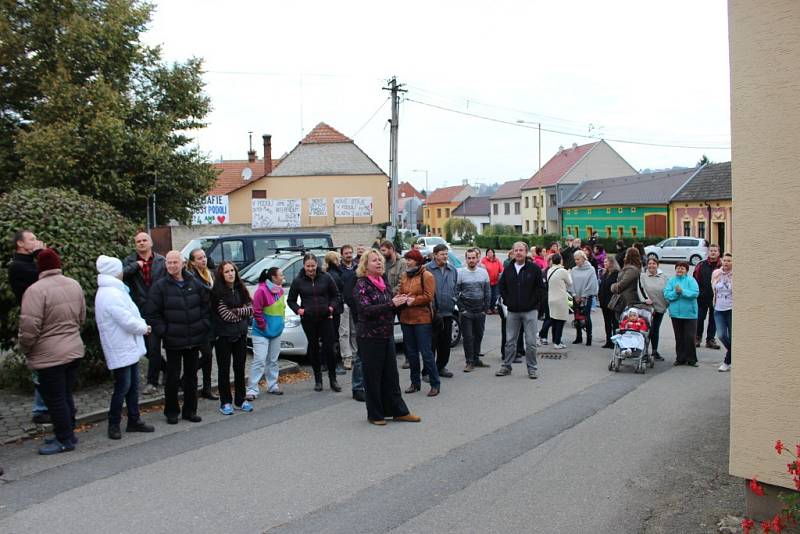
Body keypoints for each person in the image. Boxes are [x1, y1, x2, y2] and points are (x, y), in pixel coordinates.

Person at [18, 249, 85, 454]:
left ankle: (64, 440)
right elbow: (81, 317)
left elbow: (29, 327)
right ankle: (68, 433)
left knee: (54, 400)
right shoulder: (74, 284)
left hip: (48, 355)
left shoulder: (35, 291)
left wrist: (25, 348)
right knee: (65, 394)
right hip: (73, 349)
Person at [354, 249, 421, 425]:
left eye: (380, 260)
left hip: (386, 334)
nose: (379, 263)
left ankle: (398, 411)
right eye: (375, 261)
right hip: (369, 337)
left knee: (391, 375)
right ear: (365, 266)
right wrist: (391, 303)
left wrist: (401, 302)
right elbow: (365, 310)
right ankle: (375, 414)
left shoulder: (382, 282)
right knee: (373, 377)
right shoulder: (362, 285)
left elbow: (390, 307)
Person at [94, 255, 155, 440]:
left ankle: (134, 420)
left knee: (132, 385)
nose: (122, 272)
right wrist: (144, 328)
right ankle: (114, 423)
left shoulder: (114, 290)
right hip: (120, 345)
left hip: (126, 345)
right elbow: (126, 319)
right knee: (123, 386)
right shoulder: (111, 293)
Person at [145, 251, 209, 424]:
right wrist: (164, 331)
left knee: (191, 377)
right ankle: (171, 411)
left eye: (175, 262)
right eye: (168, 262)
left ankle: (190, 411)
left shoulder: (194, 283)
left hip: (194, 339)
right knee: (172, 378)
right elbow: (152, 314)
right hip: (173, 341)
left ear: (182, 264)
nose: (171, 265)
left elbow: (205, 307)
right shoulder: (160, 287)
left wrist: (203, 324)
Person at [8, 229, 50, 425]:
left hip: (42, 317)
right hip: (33, 319)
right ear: (20, 244)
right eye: (31, 239)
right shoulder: (18, 266)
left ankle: (48, 404)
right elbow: (43, 276)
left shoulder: (28, 262)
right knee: (41, 366)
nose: (37, 242)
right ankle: (40, 408)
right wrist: (42, 255)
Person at [287, 253, 341, 392]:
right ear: (304, 266)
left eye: (313, 266)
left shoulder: (326, 277)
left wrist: (331, 307)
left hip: (325, 318)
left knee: (329, 348)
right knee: (314, 348)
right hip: (308, 319)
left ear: (317, 265)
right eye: (308, 266)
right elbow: (291, 300)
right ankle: (318, 380)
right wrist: (300, 311)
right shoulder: (298, 281)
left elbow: (336, 295)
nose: (310, 269)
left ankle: (333, 379)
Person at [123, 232, 167, 395]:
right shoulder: (129, 261)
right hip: (138, 310)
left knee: (154, 347)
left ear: (151, 243)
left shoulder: (161, 261)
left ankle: (152, 382)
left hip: (157, 310)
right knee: (146, 349)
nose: (141, 243)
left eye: (144, 240)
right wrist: (136, 266)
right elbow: (120, 276)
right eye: (138, 241)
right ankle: (167, 369)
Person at [496, 242, 545, 378]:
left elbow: (541, 289)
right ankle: (506, 366)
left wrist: (534, 302)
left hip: (530, 311)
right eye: (516, 250)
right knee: (510, 341)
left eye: (521, 250)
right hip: (512, 311)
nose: (518, 252)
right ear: (512, 252)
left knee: (530, 342)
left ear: (526, 252)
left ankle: (532, 368)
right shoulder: (508, 269)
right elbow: (502, 287)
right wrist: (507, 301)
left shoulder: (534, 269)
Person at [211, 261, 254, 415]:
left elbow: (251, 308)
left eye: (232, 270)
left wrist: (237, 312)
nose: (230, 274)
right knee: (224, 370)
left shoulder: (241, 289)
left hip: (240, 335)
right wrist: (240, 312)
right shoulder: (217, 292)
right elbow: (225, 315)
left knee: (240, 368)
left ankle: (241, 399)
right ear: (221, 275)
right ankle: (225, 402)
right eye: (227, 271)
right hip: (223, 336)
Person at [398, 249, 439, 396]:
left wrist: (413, 301)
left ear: (417, 260)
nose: (407, 262)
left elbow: (429, 296)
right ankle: (415, 383)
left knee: (426, 353)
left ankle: (435, 383)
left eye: (410, 259)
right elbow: (400, 290)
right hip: (406, 318)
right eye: (406, 259)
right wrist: (400, 297)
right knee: (411, 353)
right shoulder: (404, 275)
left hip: (422, 319)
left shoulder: (426, 275)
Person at [248, 267, 286, 399]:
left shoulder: (280, 290)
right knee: (259, 360)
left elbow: (282, 308)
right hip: (261, 333)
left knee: (273, 360)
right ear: (273, 278)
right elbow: (256, 311)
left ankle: (272, 385)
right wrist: (264, 327)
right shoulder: (261, 291)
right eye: (281, 275)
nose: (283, 277)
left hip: (276, 332)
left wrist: (281, 324)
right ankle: (252, 389)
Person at [186, 248, 217, 400]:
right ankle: (186, 378)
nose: (203, 260)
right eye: (199, 258)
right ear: (192, 262)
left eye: (204, 257)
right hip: (199, 320)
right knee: (206, 355)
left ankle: (207, 388)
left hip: (211, 320)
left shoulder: (210, 274)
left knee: (209, 357)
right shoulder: (191, 276)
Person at [426, 244, 458, 378]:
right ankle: (428, 371)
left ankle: (441, 367)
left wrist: (453, 299)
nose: (445, 256)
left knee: (445, 343)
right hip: (432, 314)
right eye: (442, 254)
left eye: (446, 254)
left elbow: (455, 287)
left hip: (448, 311)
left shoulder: (452, 269)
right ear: (435, 255)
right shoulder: (427, 269)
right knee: (431, 344)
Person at [457, 248, 491, 372]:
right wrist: (462, 309)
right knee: (468, 337)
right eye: (469, 258)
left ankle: (476, 359)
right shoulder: (460, 273)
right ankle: (469, 361)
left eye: (473, 258)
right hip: (467, 311)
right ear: (466, 259)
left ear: (477, 258)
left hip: (480, 311)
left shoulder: (483, 272)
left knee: (479, 335)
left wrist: (485, 309)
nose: (471, 260)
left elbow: (487, 292)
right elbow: (456, 292)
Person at [664, 261, 700, 367]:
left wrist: (682, 292)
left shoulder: (691, 280)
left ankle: (692, 359)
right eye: (678, 268)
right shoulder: (672, 281)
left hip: (690, 314)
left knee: (689, 337)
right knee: (679, 337)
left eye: (682, 268)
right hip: (675, 314)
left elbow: (695, 293)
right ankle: (680, 358)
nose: (680, 270)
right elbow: (667, 294)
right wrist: (676, 293)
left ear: (686, 270)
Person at [693, 244, 722, 349]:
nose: (713, 252)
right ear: (708, 252)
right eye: (711, 250)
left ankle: (710, 339)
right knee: (700, 318)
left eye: (715, 250)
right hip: (702, 297)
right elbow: (695, 279)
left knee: (713, 319)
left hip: (717, 297)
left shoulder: (722, 266)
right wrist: (698, 292)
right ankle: (697, 338)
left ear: (719, 252)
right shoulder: (701, 265)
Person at [641, 257, 668, 361]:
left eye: (653, 263)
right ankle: (644, 351)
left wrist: (666, 304)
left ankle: (655, 351)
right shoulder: (643, 276)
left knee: (655, 330)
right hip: (647, 308)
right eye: (650, 264)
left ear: (657, 265)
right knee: (647, 330)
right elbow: (641, 289)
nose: (651, 265)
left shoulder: (664, 277)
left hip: (659, 307)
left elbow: (667, 291)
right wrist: (645, 300)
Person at [570, 250, 598, 346]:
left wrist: (584, 296)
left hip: (586, 297)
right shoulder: (573, 270)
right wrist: (574, 295)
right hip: (576, 296)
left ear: (583, 259)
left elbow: (592, 283)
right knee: (577, 317)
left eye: (578, 259)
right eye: (575, 259)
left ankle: (589, 337)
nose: (576, 261)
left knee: (586, 317)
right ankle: (578, 337)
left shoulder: (591, 269)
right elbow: (571, 283)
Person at [545, 253, 572, 349]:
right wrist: (569, 273)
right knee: (561, 320)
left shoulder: (549, 270)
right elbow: (570, 283)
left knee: (554, 319)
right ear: (561, 260)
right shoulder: (563, 271)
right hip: (561, 298)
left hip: (551, 298)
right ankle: (557, 342)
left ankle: (554, 340)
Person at [338, 245, 358, 370]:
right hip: (344, 304)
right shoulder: (338, 269)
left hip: (356, 303)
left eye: (350, 252)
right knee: (344, 332)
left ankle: (356, 354)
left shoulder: (357, 267)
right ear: (342, 255)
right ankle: (347, 357)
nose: (349, 255)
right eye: (346, 253)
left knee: (355, 331)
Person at [713, 252, 733, 372]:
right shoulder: (716, 273)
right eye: (724, 260)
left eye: (729, 261)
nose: (726, 262)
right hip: (718, 309)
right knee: (721, 335)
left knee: (733, 337)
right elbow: (714, 289)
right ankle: (734, 352)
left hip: (731, 309)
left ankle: (727, 361)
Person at [611, 248, 644, 313]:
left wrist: (613, 287)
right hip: (628, 298)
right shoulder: (635, 268)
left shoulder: (631, 270)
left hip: (627, 300)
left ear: (629, 256)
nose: (625, 256)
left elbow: (622, 284)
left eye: (626, 254)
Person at [598, 256, 621, 349]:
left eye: (606, 262)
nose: (604, 264)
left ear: (611, 263)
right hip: (604, 302)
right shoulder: (605, 273)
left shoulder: (616, 274)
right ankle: (608, 340)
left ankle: (615, 341)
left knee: (614, 322)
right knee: (607, 322)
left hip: (612, 302)